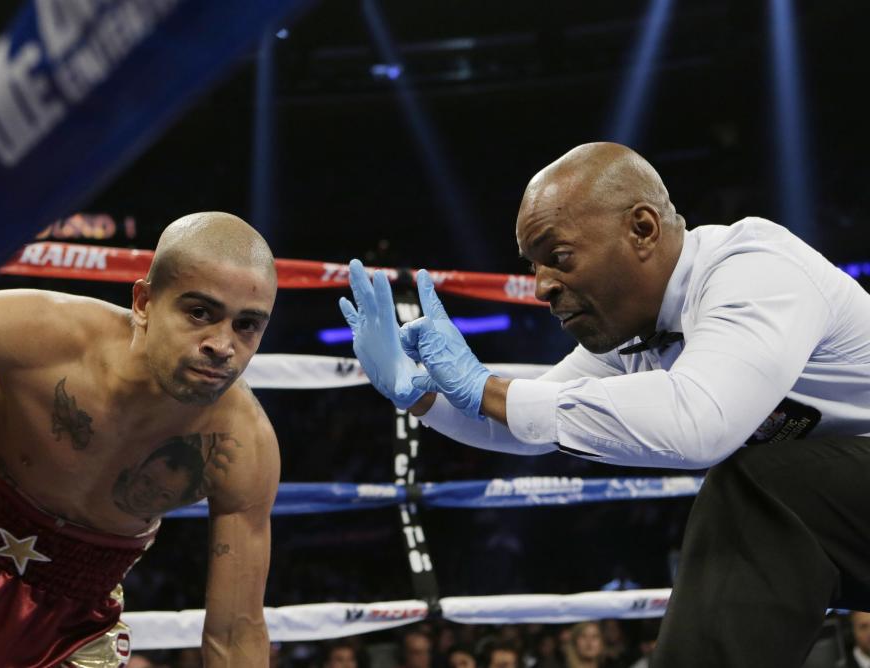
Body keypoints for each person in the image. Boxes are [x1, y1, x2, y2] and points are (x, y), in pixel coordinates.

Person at [339, 142, 870, 668]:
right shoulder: (634, 336)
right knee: (767, 490)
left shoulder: (753, 271)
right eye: (534, 265)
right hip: (847, 527)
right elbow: (526, 424)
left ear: (642, 229)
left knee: (760, 487)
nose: (541, 285)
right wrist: (421, 394)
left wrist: (486, 387)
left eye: (559, 257)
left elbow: (700, 423)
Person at [0, 212, 280, 665]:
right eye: (199, 312)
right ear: (144, 302)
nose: (222, 345)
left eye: (247, 325)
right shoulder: (40, 332)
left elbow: (235, 632)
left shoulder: (243, 446)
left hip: (71, 620)